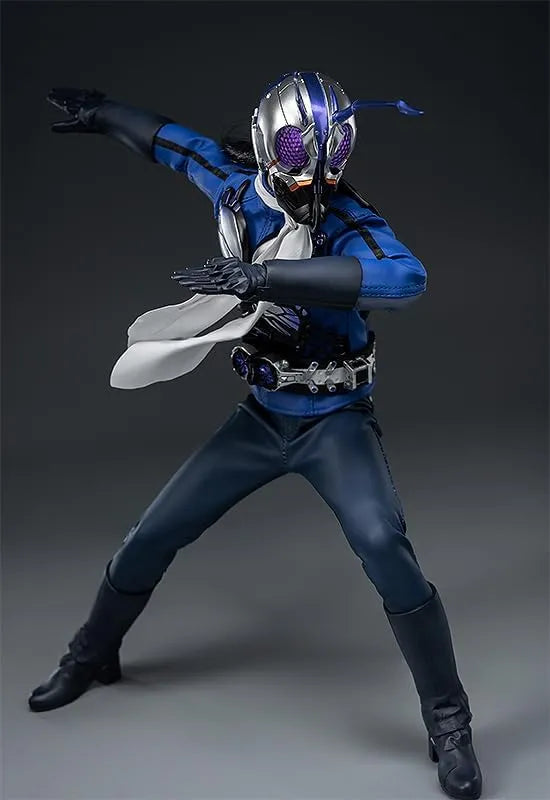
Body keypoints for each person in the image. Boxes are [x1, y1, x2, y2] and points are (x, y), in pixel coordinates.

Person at [29, 72, 482, 800]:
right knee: (153, 533)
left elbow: (406, 280)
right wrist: (109, 112)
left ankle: (449, 720)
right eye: (301, 149)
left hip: (336, 422)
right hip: (263, 416)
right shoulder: (239, 189)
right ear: (270, 142)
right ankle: (91, 654)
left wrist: (265, 279)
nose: (316, 172)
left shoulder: (347, 219)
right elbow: (177, 146)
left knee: (384, 545)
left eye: (334, 151)